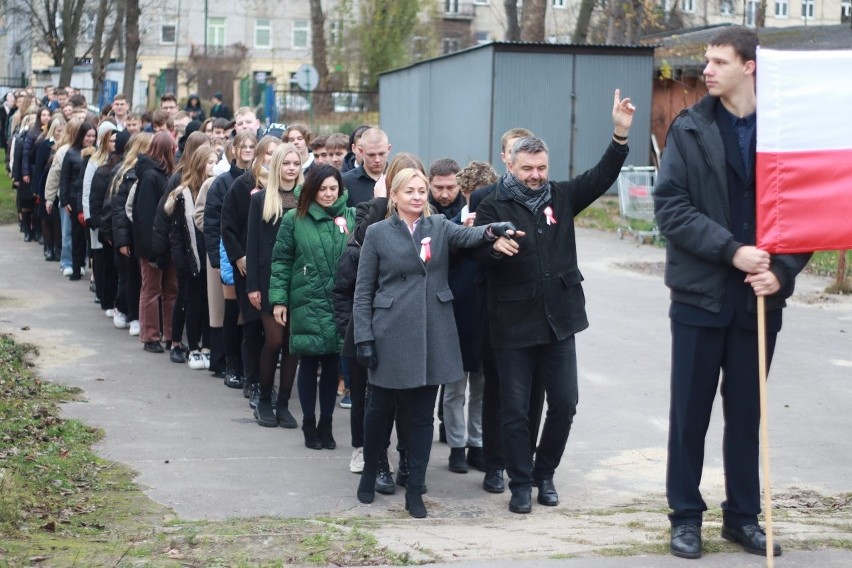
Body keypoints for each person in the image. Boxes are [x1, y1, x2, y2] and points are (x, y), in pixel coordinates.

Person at [653, 26, 811, 560]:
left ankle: (743, 518)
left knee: (746, 416)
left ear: (750, 67)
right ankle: (686, 518)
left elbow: (804, 215)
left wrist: (783, 272)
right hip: (699, 298)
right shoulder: (690, 128)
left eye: (719, 61)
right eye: (707, 60)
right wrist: (731, 250)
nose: (708, 70)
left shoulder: (784, 133)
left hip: (758, 301)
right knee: (689, 415)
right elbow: (670, 209)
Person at [473, 89, 634, 514]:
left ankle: (545, 473)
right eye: (527, 168)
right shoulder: (492, 205)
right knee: (514, 409)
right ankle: (520, 484)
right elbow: (478, 253)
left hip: (559, 320)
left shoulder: (561, 197)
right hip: (511, 324)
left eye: (541, 167)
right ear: (510, 164)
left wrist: (619, 134)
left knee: (565, 402)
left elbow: (601, 176)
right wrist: (493, 248)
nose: (536, 175)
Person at [352, 167, 518, 517]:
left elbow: (468, 236)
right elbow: (363, 289)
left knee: (422, 417)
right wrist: (364, 336)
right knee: (379, 410)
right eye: (409, 191)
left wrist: (492, 230)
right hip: (389, 332)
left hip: (433, 332)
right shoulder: (378, 233)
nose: (417, 196)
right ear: (394, 196)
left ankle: (415, 488)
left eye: (421, 190)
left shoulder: (439, 226)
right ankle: (369, 472)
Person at [270, 164, 356, 450]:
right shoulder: (295, 218)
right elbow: (281, 260)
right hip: (306, 298)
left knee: (333, 362)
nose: (329, 194)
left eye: (334, 188)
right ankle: (308, 422)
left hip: (339, 300)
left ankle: (326, 423)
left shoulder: (351, 217)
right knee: (308, 360)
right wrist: (279, 300)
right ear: (311, 190)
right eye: (322, 189)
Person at [245, 143, 303, 428]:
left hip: (299, 282)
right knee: (274, 340)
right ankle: (264, 398)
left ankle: (283, 403)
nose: (291, 168)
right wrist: (252, 286)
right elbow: (253, 245)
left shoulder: (307, 198)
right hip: (268, 281)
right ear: (277, 165)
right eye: (287, 163)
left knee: (292, 345)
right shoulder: (260, 199)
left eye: (296, 163)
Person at [160, 143, 217, 369]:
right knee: (187, 302)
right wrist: (181, 262)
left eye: (215, 161)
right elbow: (175, 232)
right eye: (210, 162)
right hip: (188, 259)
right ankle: (184, 345)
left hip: (208, 258)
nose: (214, 166)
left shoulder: (216, 187)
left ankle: (206, 346)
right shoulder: (183, 193)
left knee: (206, 304)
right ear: (199, 165)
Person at [132, 131, 178, 353]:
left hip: (167, 245)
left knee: (171, 289)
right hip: (152, 247)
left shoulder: (164, 174)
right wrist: (153, 251)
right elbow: (146, 216)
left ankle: (170, 335)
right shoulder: (151, 176)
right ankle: (150, 335)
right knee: (151, 290)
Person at [59, 120, 97, 280]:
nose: (91, 139)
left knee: (90, 237)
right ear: (82, 136)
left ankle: (89, 266)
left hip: (91, 200)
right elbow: (64, 178)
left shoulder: (96, 153)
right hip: (75, 200)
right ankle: (76, 266)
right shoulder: (71, 153)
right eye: (88, 136)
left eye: (94, 136)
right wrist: (65, 200)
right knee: (76, 235)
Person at [342, 127, 389, 205]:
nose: (377, 159)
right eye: (371, 155)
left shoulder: (398, 178)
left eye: (381, 154)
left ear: (388, 149)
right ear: (361, 151)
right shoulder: (346, 182)